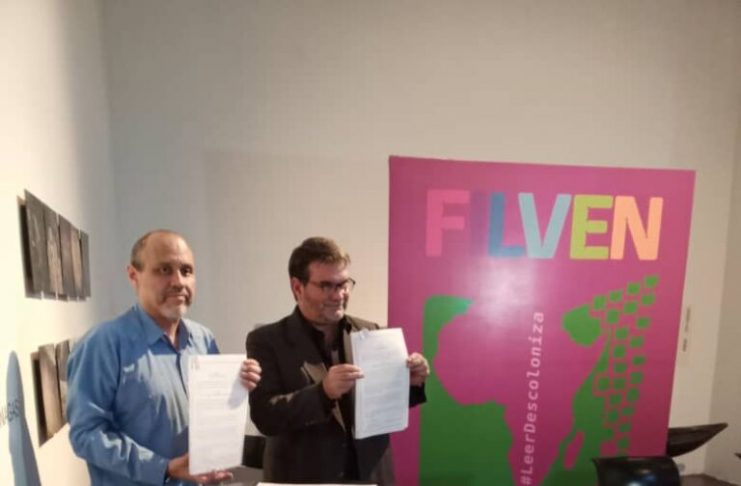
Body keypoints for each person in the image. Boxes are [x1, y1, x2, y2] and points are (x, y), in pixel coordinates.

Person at [66, 230, 262, 486]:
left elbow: (209, 416)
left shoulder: (203, 339)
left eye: (186, 271)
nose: (178, 281)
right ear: (133, 276)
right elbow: (86, 434)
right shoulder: (104, 344)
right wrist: (163, 468)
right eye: (164, 270)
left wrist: (238, 385)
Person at [246, 236, 429, 485]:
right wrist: (323, 392)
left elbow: (383, 405)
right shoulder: (267, 341)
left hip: (370, 477)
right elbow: (265, 417)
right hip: (303, 480)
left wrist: (410, 382)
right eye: (326, 286)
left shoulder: (372, 332)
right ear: (297, 287)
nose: (339, 294)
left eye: (344, 284)